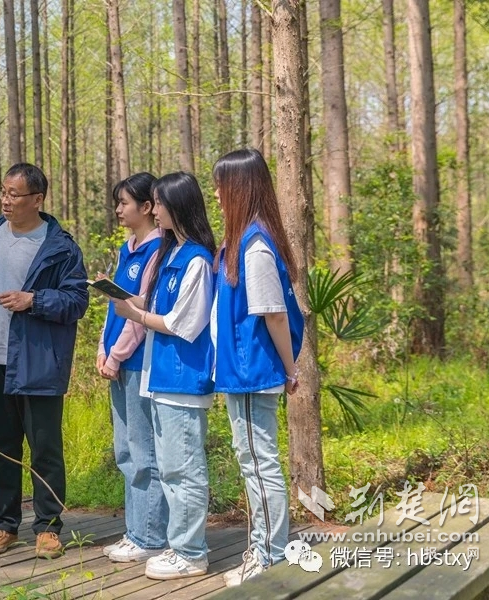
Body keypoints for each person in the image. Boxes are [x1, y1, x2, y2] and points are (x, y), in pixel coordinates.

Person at [0, 163, 89, 559]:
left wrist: (33, 300)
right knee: (1, 446)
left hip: (39, 360)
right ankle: (3, 526)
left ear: (37, 199)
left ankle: (48, 528)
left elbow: (77, 301)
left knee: (44, 448)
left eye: (15, 194)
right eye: (3, 191)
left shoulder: (60, 247)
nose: (6, 200)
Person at [112, 172, 217, 580]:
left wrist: (136, 314)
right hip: (160, 379)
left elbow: (183, 323)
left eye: (158, 202)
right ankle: (179, 545)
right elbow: (159, 305)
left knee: (184, 468)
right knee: (170, 467)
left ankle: (191, 551)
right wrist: (126, 299)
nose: (153, 209)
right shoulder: (173, 254)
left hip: (184, 379)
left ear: (178, 205)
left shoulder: (197, 259)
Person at [210, 149, 304, 586]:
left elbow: (275, 314)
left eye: (221, 186)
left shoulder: (255, 244)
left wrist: (289, 368)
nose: (215, 194)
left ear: (240, 189)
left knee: (258, 462)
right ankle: (267, 549)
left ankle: (268, 556)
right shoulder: (246, 239)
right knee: (255, 460)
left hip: (252, 372)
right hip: (244, 370)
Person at [95, 173, 169, 563]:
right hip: (117, 361)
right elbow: (116, 304)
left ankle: (150, 536)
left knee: (143, 452)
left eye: (124, 203)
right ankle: (135, 530)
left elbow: (140, 316)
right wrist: (100, 348)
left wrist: (117, 354)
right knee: (125, 450)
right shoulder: (129, 248)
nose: (118, 210)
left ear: (146, 207)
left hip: (138, 363)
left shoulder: (158, 251)